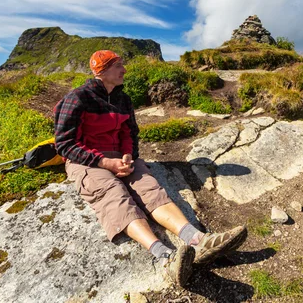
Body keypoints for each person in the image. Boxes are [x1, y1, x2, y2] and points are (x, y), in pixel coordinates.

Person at [54, 50, 247, 287]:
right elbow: (64, 144)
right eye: (118, 66)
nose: (124, 70)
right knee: (114, 195)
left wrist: (127, 155)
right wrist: (104, 163)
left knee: (150, 188)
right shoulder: (77, 98)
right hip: (87, 161)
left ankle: (198, 240)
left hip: (119, 157)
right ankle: (165, 258)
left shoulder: (122, 99)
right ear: (102, 71)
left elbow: (129, 132)